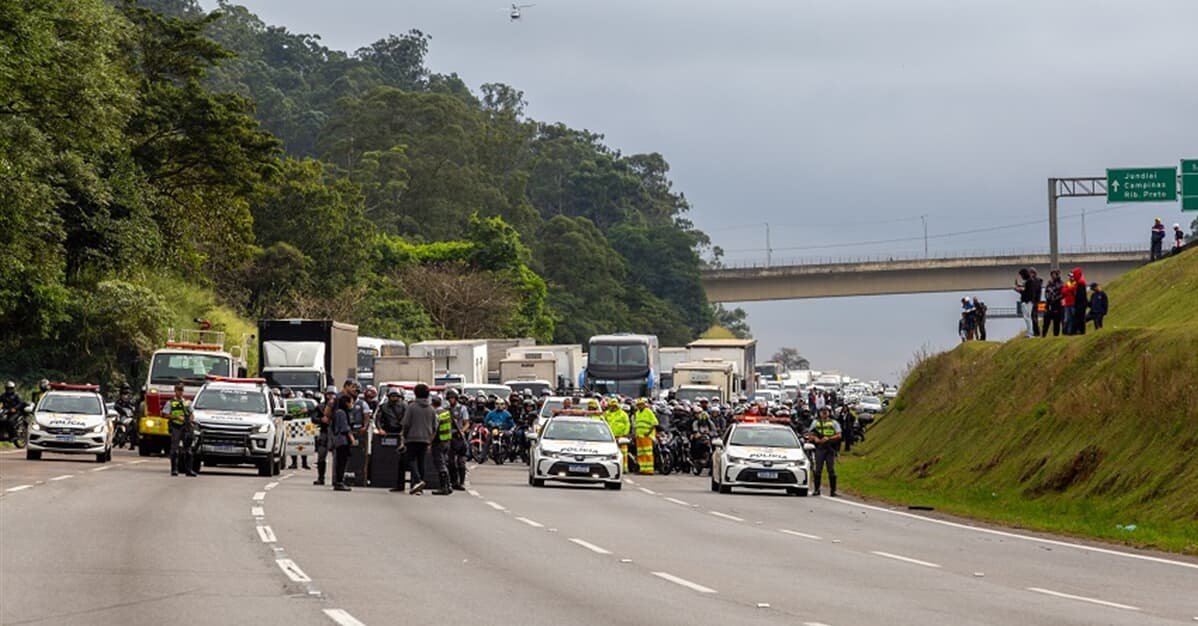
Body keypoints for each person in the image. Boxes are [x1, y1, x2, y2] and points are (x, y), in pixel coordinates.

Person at [399, 383, 437, 495]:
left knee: (409, 459)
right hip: (426, 438)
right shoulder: (431, 409)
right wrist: (430, 439)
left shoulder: (411, 407)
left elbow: (406, 424)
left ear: (415, 394)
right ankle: (419, 488)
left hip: (412, 437)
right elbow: (435, 426)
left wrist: (404, 436)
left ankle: (418, 480)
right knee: (421, 461)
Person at [805, 407, 842, 496]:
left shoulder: (834, 423)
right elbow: (809, 434)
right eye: (822, 412)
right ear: (820, 413)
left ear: (829, 413)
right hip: (819, 448)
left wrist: (828, 438)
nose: (824, 414)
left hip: (829, 447)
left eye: (826, 412)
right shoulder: (815, 422)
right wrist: (815, 438)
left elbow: (839, 435)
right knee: (818, 470)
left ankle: (833, 491)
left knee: (831, 470)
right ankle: (817, 489)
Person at [164, 382, 197, 477]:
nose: (180, 392)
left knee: (188, 450)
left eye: (181, 390)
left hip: (186, 427)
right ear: (175, 391)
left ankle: (189, 470)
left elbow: (191, 413)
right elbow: (165, 414)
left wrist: (191, 419)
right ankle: (174, 469)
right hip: (176, 427)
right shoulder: (170, 403)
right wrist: (176, 417)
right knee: (174, 450)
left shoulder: (187, 402)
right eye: (178, 390)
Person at [446, 389, 470, 490]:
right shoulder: (446, 409)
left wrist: (462, 431)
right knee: (450, 462)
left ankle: (461, 482)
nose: (451, 400)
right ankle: (453, 482)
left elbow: (466, 423)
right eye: (449, 398)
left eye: (453, 398)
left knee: (461, 462)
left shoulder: (462, 409)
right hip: (449, 437)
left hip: (459, 437)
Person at [330, 393, 355, 492]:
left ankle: (339, 481)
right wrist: (352, 438)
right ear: (346, 403)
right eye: (351, 402)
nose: (352, 404)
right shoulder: (341, 412)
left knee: (341, 461)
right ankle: (339, 482)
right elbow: (345, 427)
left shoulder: (339, 412)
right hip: (342, 440)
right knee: (341, 462)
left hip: (340, 439)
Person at [430, 396, 454, 495]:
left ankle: (444, 487)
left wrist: (430, 440)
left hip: (439, 441)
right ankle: (448, 485)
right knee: (444, 463)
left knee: (440, 464)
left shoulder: (436, 414)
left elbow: (434, 429)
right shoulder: (446, 412)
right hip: (446, 441)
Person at [312, 385, 336, 486]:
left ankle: (337, 479)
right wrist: (321, 420)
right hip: (324, 432)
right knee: (321, 456)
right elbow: (313, 418)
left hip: (335, 433)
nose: (330, 396)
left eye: (332, 394)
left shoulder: (339, 406)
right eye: (328, 394)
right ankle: (320, 478)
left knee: (338, 456)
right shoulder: (320, 406)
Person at [602, 397, 631, 470]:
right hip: (609, 437)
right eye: (611, 406)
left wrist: (625, 434)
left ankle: (624, 468)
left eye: (614, 406)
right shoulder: (606, 414)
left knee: (623, 453)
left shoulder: (623, 414)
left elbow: (627, 424)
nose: (613, 407)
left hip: (621, 437)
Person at [633, 398, 659, 475]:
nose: (639, 406)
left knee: (647, 453)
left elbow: (654, 423)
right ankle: (642, 469)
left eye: (641, 405)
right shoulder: (637, 413)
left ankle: (649, 470)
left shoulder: (648, 412)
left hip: (647, 436)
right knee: (640, 454)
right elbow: (636, 424)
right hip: (639, 436)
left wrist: (648, 433)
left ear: (644, 405)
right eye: (638, 405)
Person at [1040, 269, 1064, 337]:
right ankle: (1043, 335)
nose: (1053, 276)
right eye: (1052, 275)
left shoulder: (1061, 283)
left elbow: (1062, 294)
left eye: (1054, 274)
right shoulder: (1049, 283)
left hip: (1057, 305)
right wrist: (1047, 301)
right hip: (1049, 304)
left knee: (1056, 323)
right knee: (1046, 322)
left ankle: (1055, 336)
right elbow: (1046, 293)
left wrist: (1055, 299)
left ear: (1057, 275)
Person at [1015, 268, 1035, 338]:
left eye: (1021, 275)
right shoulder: (1028, 281)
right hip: (1027, 301)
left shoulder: (1029, 282)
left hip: (1027, 302)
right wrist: (1020, 290)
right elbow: (1026, 291)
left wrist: (1020, 290)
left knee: (1027, 317)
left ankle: (1030, 333)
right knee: (1027, 317)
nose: (1021, 277)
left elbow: (1028, 292)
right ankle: (1029, 332)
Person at [1070, 267, 1088, 335]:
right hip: (1079, 305)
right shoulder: (1079, 283)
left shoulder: (1080, 284)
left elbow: (1080, 296)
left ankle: (1078, 332)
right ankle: (1079, 331)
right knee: (1079, 319)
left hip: (1080, 305)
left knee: (1079, 319)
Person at [1028, 268, 1043, 337]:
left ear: (1034, 273)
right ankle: (1034, 332)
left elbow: (1037, 293)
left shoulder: (1037, 281)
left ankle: (1037, 332)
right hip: (1031, 302)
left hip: (1035, 302)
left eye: (1031, 273)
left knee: (1034, 317)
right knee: (1032, 317)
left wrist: (1036, 302)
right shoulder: (1031, 281)